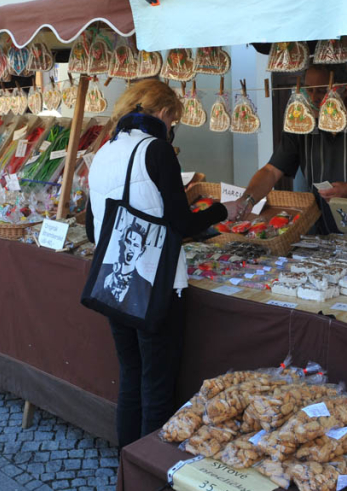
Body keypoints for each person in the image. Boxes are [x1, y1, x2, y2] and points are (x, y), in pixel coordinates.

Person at [85, 79, 239, 448]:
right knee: (157, 386)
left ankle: (129, 467)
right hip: (155, 283)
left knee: (131, 378)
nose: (173, 129)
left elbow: (93, 229)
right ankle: (151, 474)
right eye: (174, 120)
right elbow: (182, 224)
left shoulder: (105, 151)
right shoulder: (157, 150)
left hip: (112, 281)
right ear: (162, 112)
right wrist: (223, 211)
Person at [227, 63, 347, 230]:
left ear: (343, 89)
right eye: (308, 90)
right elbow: (272, 171)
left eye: (322, 91)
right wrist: (247, 200)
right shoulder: (302, 121)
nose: (313, 98)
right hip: (321, 230)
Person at [95, 220, 153, 317]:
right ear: (122, 242)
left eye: (136, 245)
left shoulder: (145, 285)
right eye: (128, 242)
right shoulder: (104, 269)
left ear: (141, 251)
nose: (131, 248)